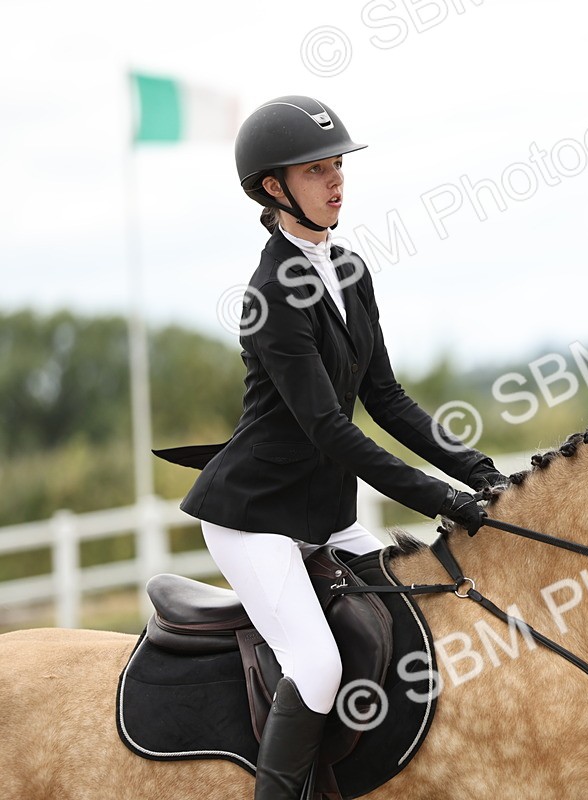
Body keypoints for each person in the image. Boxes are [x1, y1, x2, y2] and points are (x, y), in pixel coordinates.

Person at [153, 95, 508, 800]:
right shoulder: (268, 296)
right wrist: (445, 500)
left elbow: (385, 398)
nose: (337, 182)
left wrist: (481, 471)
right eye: (317, 171)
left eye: (338, 166)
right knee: (316, 667)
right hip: (255, 517)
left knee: (411, 612)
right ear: (274, 188)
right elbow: (330, 430)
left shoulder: (349, 271)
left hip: (324, 510)